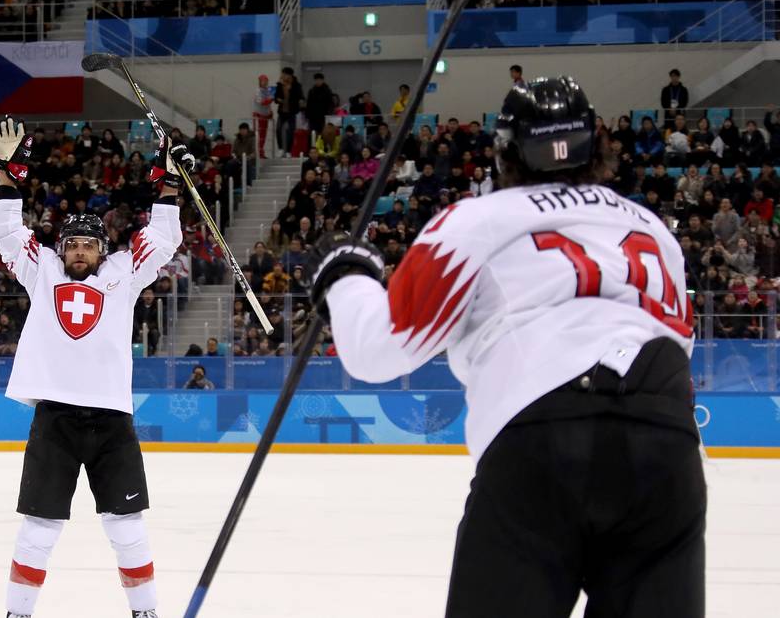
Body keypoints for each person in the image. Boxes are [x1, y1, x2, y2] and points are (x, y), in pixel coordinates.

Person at [307, 77, 703, 618]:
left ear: (505, 152)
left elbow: (378, 350)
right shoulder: (656, 232)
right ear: (596, 144)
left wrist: (348, 276)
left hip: (542, 433)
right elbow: (679, 341)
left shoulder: (476, 221)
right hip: (666, 442)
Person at [0, 115, 185, 618]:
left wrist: (168, 186)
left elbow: (163, 239)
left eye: (88, 245)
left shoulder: (124, 272)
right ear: (62, 249)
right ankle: (17, 614)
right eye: (72, 244)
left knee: (128, 528)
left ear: (103, 249)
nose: (79, 252)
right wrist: (9, 177)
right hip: (55, 419)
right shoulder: (42, 270)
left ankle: (145, 612)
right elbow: (6, 231)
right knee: (39, 528)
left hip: (112, 422)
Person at [252, 74, 273, 159]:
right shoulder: (258, 91)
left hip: (265, 117)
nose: (265, 83)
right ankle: (258, 152)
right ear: (260, 82)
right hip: (259, 116)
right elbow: (261, 102)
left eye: (266, 81)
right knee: (259, 136)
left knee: (263, 136)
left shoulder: (267, 91)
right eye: (263, 81)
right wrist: (270, 99)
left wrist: (270, 112)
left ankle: (261, 151)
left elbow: (268, 105)